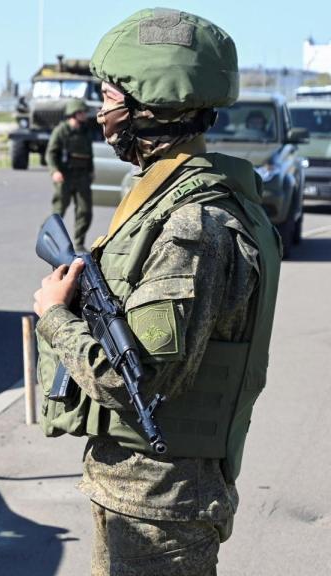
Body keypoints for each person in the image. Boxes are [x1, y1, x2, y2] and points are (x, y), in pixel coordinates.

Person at [32, 9, 281, 575]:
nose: (100, 113)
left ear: (149, 108)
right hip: (139, 493)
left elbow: (137, 377)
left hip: (160, 505)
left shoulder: (194, 223)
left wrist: (54, 317)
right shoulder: (163, 199)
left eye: (109, 97)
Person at [46, 99, 95, 251]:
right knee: (59, 210)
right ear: (75, 113)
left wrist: (91, 170)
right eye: (83, 112)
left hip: (82, 176)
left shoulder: (85, 131)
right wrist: (55, 171)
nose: (85, 115)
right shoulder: (61, 131)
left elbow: (89, 154)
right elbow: (51, 153)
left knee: (85, 211)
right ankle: (48, 238)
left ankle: (79, 243)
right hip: (65, 175)